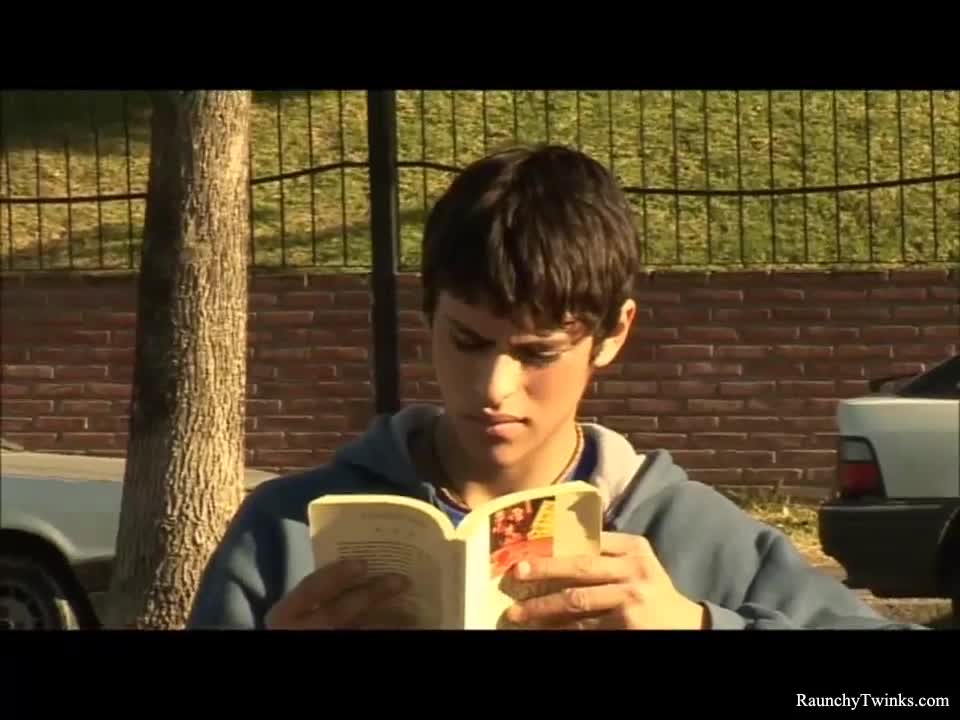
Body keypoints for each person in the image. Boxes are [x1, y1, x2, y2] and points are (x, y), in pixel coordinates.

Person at [187, 144, 919, 630]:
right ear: (427, 313)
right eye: (467, 341)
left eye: (537, 352)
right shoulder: (288, 530)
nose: (493, 387)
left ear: (613, 333)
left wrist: (697, 624)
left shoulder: (691, 534)